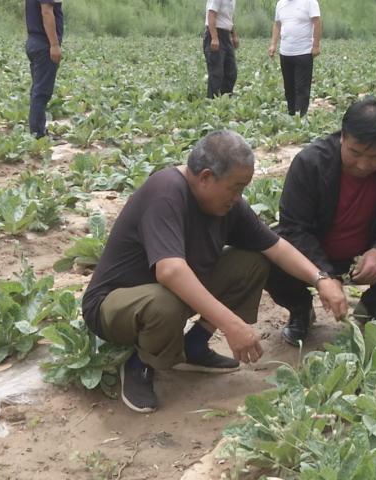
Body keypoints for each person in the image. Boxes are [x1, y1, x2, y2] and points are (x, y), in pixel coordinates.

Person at [81, 130, 348, 413]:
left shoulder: (227, 205)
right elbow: (169, 271)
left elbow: (276, 247)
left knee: (252, 261)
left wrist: (321, 279)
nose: (238, 197)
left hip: (171, 294)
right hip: (114, 306)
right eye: (235, 187)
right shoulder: (166, 191)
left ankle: (193, 346)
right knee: (164, 301)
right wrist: (232, 325)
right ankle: (140, 364)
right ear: (206, 177)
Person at [266, 97, 376, 344]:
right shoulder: (310, 162)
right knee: (267, 253)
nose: (363, 164)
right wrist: (322, 275)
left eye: (375, 156)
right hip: (315, 256)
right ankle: (300, 309)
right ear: (342, 137)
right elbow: (294, 228)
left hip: (366, 254)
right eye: (355, 153)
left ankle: (372, 306)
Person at [24, 0, 79, 139]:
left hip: (33, 40)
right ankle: (38, 134)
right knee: (42, 91)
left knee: (37, 89)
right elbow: (46, 12)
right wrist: (54, 45)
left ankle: (37, 129)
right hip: (43, 43)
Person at [267, 0, 322, 117]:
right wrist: (273, 44)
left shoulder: (308, 0)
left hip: (303, 51)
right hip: (286, 52)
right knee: (288, 86)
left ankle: (300, 116)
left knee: (302, 87)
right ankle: (292, 113)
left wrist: (316, 45)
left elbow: (317, 23)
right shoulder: (280, 4)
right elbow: (277, 25)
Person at [203, 0, 243, 98]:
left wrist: (234, 35)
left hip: (226, 35)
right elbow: (211, 15)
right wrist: (214, 38)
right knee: (216, 72)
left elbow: (229, 18)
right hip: (215, 34)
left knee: (231, 72)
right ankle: (212, 101)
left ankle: (225, 99)